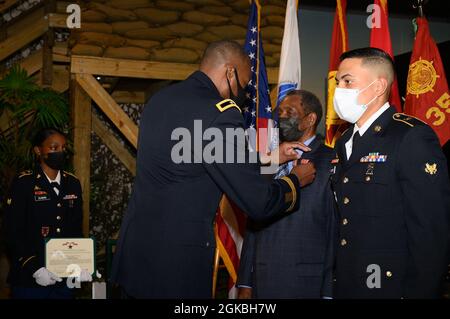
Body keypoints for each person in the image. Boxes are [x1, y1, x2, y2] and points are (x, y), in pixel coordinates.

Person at [111, 40, 317, 298]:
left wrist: (270, 157)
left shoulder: (161, 100)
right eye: (243, 84)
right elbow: (258, 202)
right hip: (176, 266)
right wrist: (295, 181)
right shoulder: (219, 113)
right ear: (230, 72)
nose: (243, 93)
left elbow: (192, 155)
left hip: (137, 255)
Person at [331, 47, 450, 298]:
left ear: (377, 86)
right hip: (349, 280)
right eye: (338, 81)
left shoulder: (410, 136)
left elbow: (430, 230)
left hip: (391, 285)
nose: (338, 89)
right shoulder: (344, 141)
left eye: (347, 81)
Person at [237, 90, 338, 299]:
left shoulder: (331, 162)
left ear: (310, 119)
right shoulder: (269, 161)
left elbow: (334, 232)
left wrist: (329, 292)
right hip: (261, 282)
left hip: (306, 284)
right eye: (279, 112)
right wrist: (245, 282)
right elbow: (254, 223)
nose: (281, 117)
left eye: (289, 112)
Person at [3, 128, 91, 299]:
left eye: (63, 148)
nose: (60, 152)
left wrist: (81, 263)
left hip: (64, 277)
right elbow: (12, 232)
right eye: (53, 148)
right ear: (38, 150)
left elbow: (75, 228)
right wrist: (35, 267)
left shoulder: (72, 183)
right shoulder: (24, 183)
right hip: (30, 278)